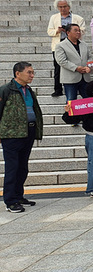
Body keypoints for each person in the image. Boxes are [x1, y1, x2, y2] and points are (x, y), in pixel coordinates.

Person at [1, 62, 43, 213]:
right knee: (12, 167)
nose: (32, 75)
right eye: (29, 72)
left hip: (28, 132)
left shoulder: (29, 90)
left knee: (23, 167)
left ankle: (19, 196)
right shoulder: (6, 90)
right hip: (11, 135)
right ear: (18, 74)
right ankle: (10, 201)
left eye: (33, 73)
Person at [47, 0, 86, 97]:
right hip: (59, 44)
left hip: (74, 43)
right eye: (60, 7)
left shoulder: (78, 18)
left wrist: (71, 32)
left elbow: (82, 31)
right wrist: (58, 30)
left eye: (65, 6)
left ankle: (77, 85)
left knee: (75, 64)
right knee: (58, 68)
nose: (63, 9)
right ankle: (58, 89)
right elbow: (49, 31)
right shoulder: (54, 18)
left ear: (69, 7)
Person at [54, 23, 93, 102]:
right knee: (71, 101)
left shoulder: (84, 44)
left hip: (85, 77)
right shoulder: (60, 45)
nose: (78, 32)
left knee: (89, 100)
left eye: (79, 31)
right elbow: (61, 60)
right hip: (70, 78)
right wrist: (76, 68)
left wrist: (88, 66)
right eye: (75, 31)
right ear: (68, 32)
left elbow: (90, 57)